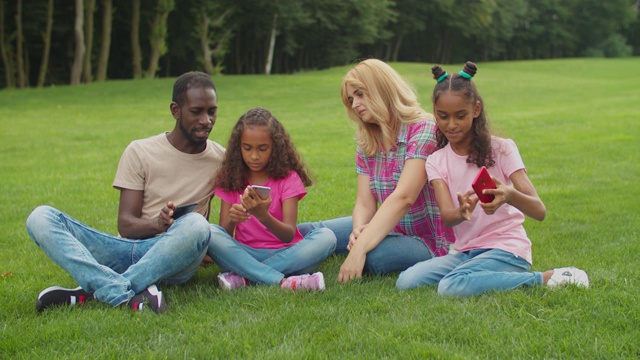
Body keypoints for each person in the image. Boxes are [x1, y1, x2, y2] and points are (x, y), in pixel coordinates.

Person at [26, 71, 225, 313]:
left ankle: (97, 289)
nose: (206, 120)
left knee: (197, 225)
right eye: (197, 112)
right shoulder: (140, 151)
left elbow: (220, 220)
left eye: (211, 111)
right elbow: (126, 225)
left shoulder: (220, 159)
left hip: (176, 259)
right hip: (128, 249)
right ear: (176, 110)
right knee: (40, 217)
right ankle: (124, 290)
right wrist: (158, 225)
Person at [395, 62, 589, 296]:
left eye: (460, 115)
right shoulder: (436, 160)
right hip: (465, 251)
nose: (451, 124)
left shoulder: (502, 149)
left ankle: (545, 278)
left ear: (476, 110)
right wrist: (461, 211)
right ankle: (477, 275)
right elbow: (447, 217)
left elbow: (539, 211)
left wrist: (509, 195)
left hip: (506, 247)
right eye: (443, 116)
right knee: (405, 281)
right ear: (435, 113)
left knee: (449, 286)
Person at [298, 59, 455, 283]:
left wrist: (360, 248)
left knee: (375, 258)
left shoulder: (424, 130)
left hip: (428, 238)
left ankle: (369, 245)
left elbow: (404, 198)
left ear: (382, 89)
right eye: (351, 99)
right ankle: (247, 250)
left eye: (360, 94)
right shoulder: (368, 142)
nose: (354, 105)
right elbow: (364, 201)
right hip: (389, 225)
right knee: (310, 231)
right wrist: (358, 231)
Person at [207, 107, 336, 291]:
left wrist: (263, 216)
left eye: (263, 149)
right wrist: (232, 220)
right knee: (209, 232)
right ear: (238, 147)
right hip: (245, 253)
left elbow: (288, 234)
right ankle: (285, 281)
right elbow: (225, 235)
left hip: (286, 253)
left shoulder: (288, 178)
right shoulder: (231, 178)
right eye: (247, 148)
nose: (254, 156)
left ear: (275, 148)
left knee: (327, 237)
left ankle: (246, 277)